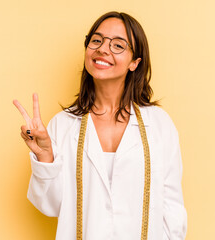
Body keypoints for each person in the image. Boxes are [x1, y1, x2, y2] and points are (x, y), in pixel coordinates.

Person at [13, 11, 187, 240]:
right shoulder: (63, 125)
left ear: (135, 62)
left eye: (118, 45)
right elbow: (50, 206)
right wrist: (46, 157)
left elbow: (172, 210)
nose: (103, 49)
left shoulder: (159, 125)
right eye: (97, 40)